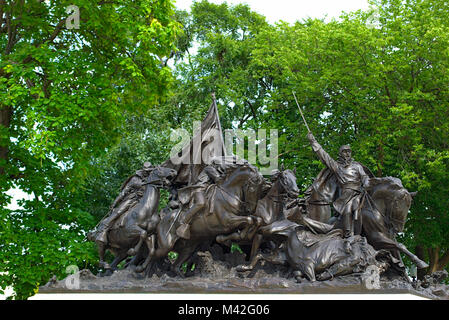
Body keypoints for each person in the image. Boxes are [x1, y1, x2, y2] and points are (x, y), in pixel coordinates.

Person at [306, 132, 370, 253]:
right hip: (345, 196)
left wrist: (366, 182)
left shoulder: (357, 166)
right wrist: (313, 141)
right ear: (340, 154)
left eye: (349, 151)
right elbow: (324, 156)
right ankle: (348, 236)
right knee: (347, 210)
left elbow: (364, 176)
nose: (347, 153)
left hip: (359, 193)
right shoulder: (337, 167)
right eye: (345, 151)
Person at [95, 161, 154, 246]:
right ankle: (103, 230)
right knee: (118, 212)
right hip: (132, 200)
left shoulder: (151, 180)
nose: (147, 172)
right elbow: (124, 191)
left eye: (149, 171)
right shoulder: (135, 179)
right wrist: (116, 202)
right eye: (146, 171)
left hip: (144, 202)